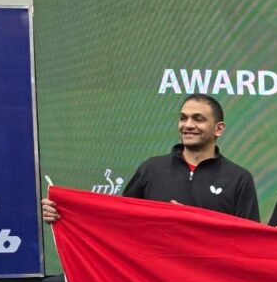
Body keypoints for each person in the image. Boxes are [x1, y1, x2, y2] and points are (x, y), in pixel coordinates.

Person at [42, 94, 259, 222]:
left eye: (198, 119)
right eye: (183, 118)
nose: (188, 125)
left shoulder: (238, 178)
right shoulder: (151, 169)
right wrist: (65, 212)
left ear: (219, 128)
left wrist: (190, 220)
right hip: (154, 281)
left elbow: (248, 241)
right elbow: (119, 221)